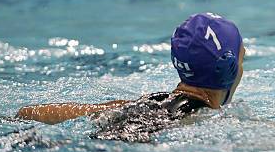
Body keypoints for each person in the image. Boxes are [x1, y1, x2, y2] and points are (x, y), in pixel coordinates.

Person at [16, 12, 245, 140]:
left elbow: (30, 113)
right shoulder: (209, 120)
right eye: (243, 58)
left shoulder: (150, 102)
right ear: (228, 68)